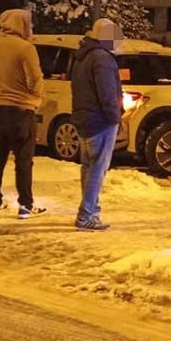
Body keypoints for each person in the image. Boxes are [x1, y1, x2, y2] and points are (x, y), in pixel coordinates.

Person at [0, 9, 46, 218]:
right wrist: (35, 94)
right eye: (29, 23)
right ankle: (25, 204)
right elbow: (35, 78)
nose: (31, 27)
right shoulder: (25, 48)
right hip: (22, 109)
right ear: (21, 24)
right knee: (24, 159)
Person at [71, 18, 124, 230]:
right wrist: (115, 118)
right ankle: (87, 214)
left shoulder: (82, 56)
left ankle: (89, 209)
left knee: (88, 166)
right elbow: (107, 94)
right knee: (97, 169)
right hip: (100, 120)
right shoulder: (103, 59)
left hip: (84, 118)